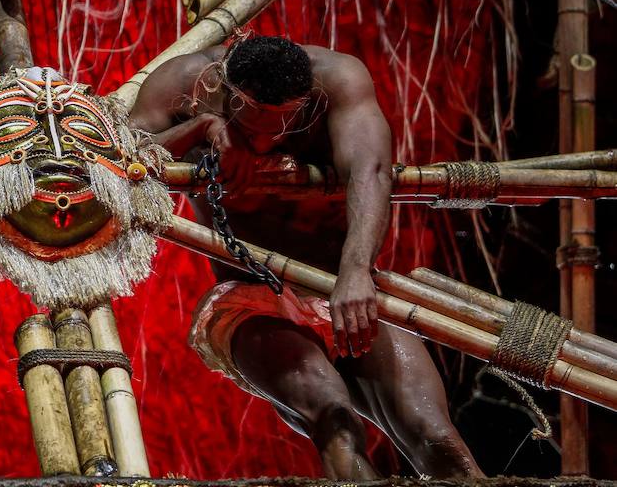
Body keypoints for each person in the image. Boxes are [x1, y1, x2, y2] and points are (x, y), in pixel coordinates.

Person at [129, 35, 483, 480]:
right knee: (335, 420)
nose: (267, 139)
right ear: (229, 91)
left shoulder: (338, 80)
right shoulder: (182, 83)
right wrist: (198, 129)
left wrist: (355, 274)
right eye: (253, 123)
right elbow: (122, 164)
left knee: (434, 433)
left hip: (343, 285)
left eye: (282, 123)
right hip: (252, 298)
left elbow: (370, 173)